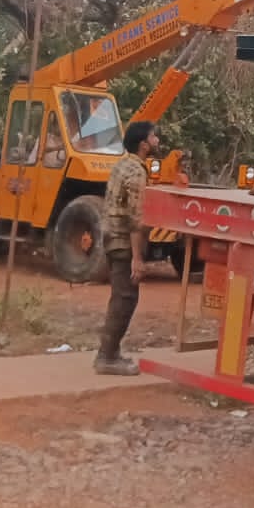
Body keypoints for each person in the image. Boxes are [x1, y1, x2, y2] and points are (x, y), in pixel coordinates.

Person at [95, 120, 158, 376]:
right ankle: (107, 357)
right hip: (123, 241)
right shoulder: (137, 173)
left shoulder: (122, 165)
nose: (157, 141)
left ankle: (110, 353)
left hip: (111, 237)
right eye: (153, 137)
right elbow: (136, 220)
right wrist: (137, 258)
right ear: (144, 145)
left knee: (120, 296)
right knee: (125, 298)